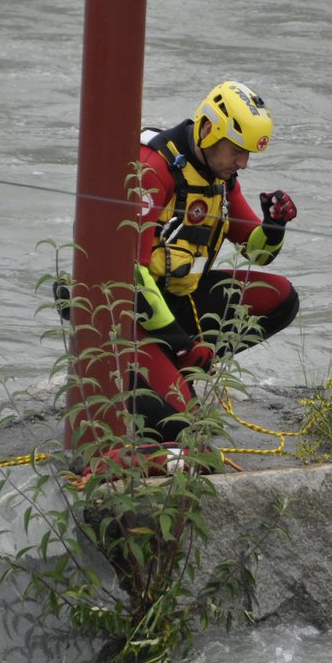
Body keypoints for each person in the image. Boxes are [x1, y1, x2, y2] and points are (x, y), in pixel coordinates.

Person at [129, 80, 300, 442]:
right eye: (238, 151)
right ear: (208, 131)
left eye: (249, 154)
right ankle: (160, 369)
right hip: (132, 317)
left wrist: (273, 227)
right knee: (184, 427)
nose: (244, 163)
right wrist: (182, 344)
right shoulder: (153, 168)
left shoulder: (220, 174)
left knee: (282, 299)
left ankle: (180, 371)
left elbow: (256, 253)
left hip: (179, 300)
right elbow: (130, 274)